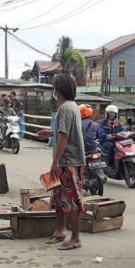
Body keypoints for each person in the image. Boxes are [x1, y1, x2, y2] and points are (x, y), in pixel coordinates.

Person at [38, 74, 86, 250]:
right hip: (68, 160)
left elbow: (65, 136)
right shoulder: (71, 106)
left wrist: (55, 161)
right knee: (58, 197)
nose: (53, 90)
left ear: (59, 90)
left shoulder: (66, 108)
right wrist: (51, 133)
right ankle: (60, 229)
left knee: (72, 200)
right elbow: (64, 132)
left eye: (54, 87)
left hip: (69, 161)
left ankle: (75, 238)